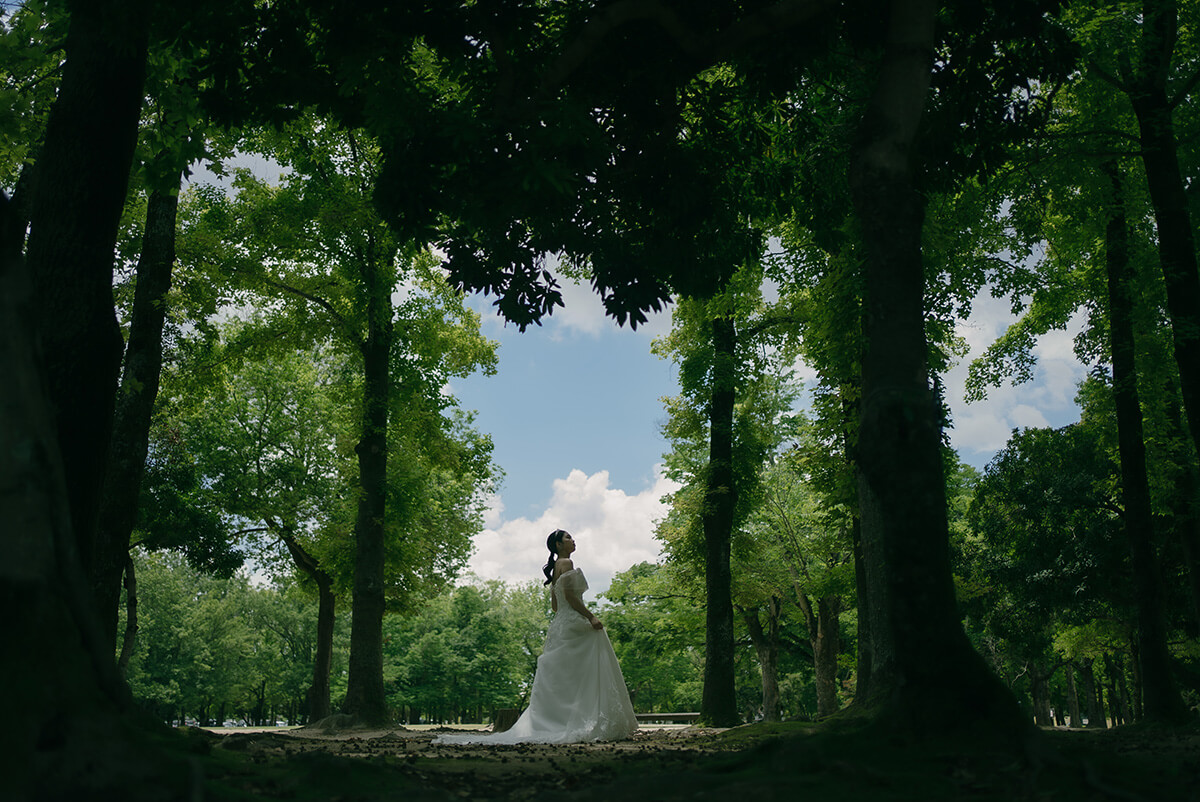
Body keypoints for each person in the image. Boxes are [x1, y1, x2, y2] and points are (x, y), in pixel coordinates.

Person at [433, 529, 638, 744]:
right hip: (573, 622)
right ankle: (585, 719)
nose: (573, 540)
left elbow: (555, 605)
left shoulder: (556, 569)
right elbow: (568, 596)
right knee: (586, 665)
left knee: (567, 676)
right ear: (558, 545)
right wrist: (591, 617)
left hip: (561, 625)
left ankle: (561, 720)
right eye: (568, 537)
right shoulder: (566, 563)